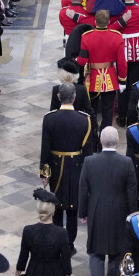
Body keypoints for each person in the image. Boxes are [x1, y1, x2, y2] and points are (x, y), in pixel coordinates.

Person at [78, 126, 137, 276]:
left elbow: (83, 189)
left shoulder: (89, 161)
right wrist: (132, 216)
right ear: (117, 142)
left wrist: (83, 212)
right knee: (116, 253)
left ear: (101, 141)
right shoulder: (126, 162)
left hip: (96, 212)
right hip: (119, 214)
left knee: (96, 252)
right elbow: (131, 193)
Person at [40, 82, 93, 251]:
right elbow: (88, 153)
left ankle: (57, 241)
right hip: (76, 169)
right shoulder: (85, 119)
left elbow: (45, 150)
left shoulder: (49, 118)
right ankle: (69, 244)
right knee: (72, 209)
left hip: (55, 169)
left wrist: (45, 174)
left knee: (56, 206)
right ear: (75, 98)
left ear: (58, 97)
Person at [77, 10, 126, 130]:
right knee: (108, 111)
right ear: (109, 21)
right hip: (110, 77)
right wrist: (122, 80)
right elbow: (121, 62)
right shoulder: (117, 36)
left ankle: (93, 136)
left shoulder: (86, 37)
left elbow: (82, 61)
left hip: (92, 78)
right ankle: (105, 136)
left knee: (91, 109)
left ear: (95, 22)